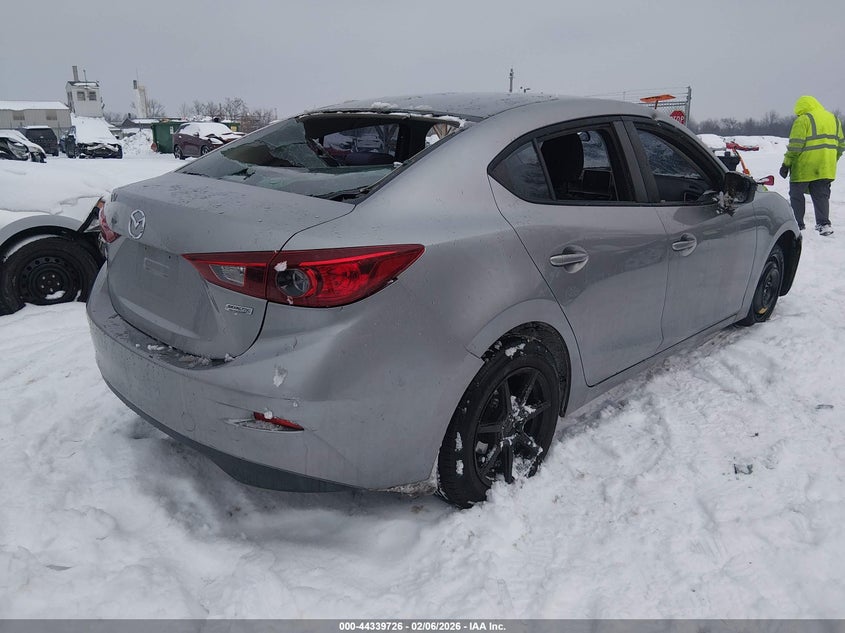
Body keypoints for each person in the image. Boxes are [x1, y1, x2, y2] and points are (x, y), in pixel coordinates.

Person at [779, 95, 845, 236]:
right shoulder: (834, 119)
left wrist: (786, 164)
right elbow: (841, 145)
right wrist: (832, 160)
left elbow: (795, 146)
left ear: (801, 109)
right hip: (825, 166)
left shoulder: (803, 120)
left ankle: (797, 224)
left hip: (804, 166)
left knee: (796, 194)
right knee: (821, 195)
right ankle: (824, 224)